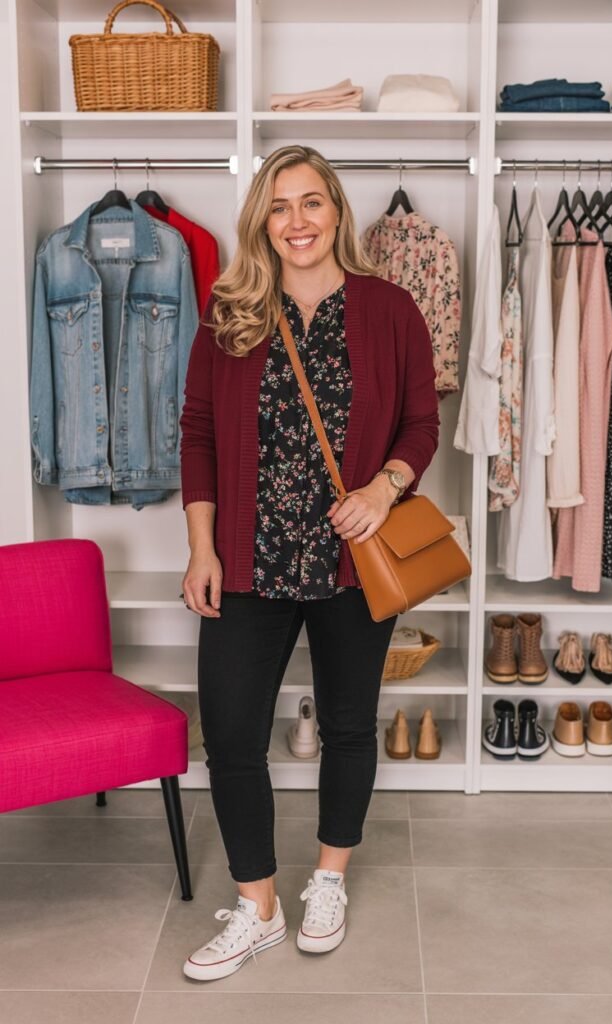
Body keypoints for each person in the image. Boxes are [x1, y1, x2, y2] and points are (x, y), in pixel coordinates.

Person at [179, 144, 439, 982]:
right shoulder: (230, 313)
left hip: (349, 560)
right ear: (262, 221)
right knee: (230, 735)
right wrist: (201, 547)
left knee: (349, 726)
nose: (297, 221)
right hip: (247, 560)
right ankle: (257, 908)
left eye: (311, 202)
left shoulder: (388, 308)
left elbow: (421, 423)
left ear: (335, 211)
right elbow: (198, 432)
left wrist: (384, 489)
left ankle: (328, 880)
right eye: (280, 206)